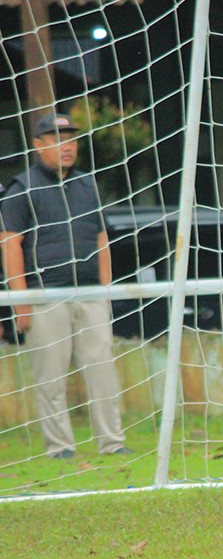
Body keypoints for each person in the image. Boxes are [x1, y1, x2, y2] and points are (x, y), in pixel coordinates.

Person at [0, 112, 130, 459]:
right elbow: (10, 244)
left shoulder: (88, 184)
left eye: (71, 139)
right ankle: (60, 447)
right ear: (38, 145)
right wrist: (20, 302)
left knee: (103, 369)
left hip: (90, 294)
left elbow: (101, 238)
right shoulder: (21, 188)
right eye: (57, 139)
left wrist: (106, 292)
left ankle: (113, 442)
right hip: (46, 296)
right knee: (50, 376)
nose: (66, 146)